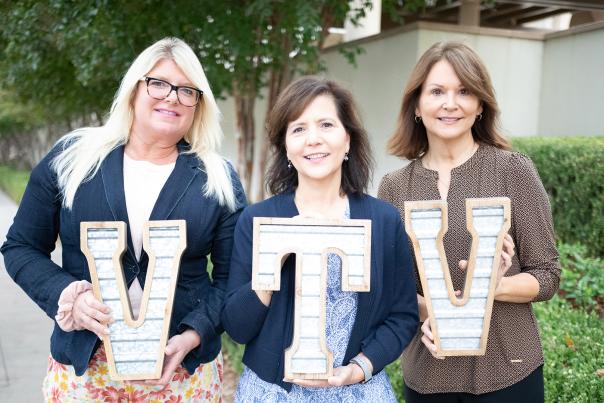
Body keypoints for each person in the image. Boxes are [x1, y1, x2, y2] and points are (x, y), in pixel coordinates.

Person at [1, 37, 246, 401]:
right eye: (158, 83)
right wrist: (67, 296)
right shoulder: (73, 160)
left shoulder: (217, 178)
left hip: (181, 374)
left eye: (186, 90)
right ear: (134, 88)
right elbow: (20, 247)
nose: (172, 97)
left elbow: (233, 277)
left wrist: (196, 333)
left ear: (198, 104)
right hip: (85, 373)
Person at [378, 41, 560, 402]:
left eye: (464, 91)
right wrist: (431, 310)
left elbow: (548, 274)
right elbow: (390, 288)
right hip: (428, 374)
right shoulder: (394, 187)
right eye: (437, 91)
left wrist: (494, 288)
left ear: (480, 105)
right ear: (417, 105)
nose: (450, 103)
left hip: (510, 370)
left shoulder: (514, 171)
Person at [221, 76, 419, 402]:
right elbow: (237, 327)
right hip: (272, 394)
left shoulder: (383, 221)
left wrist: (360, 367)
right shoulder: (257, 221)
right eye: (298, 129)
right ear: (285, 146)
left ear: (348, 140)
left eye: (326, 124)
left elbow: (402, 315)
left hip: (359, 392)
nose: (313, 139)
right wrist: (274, 260)